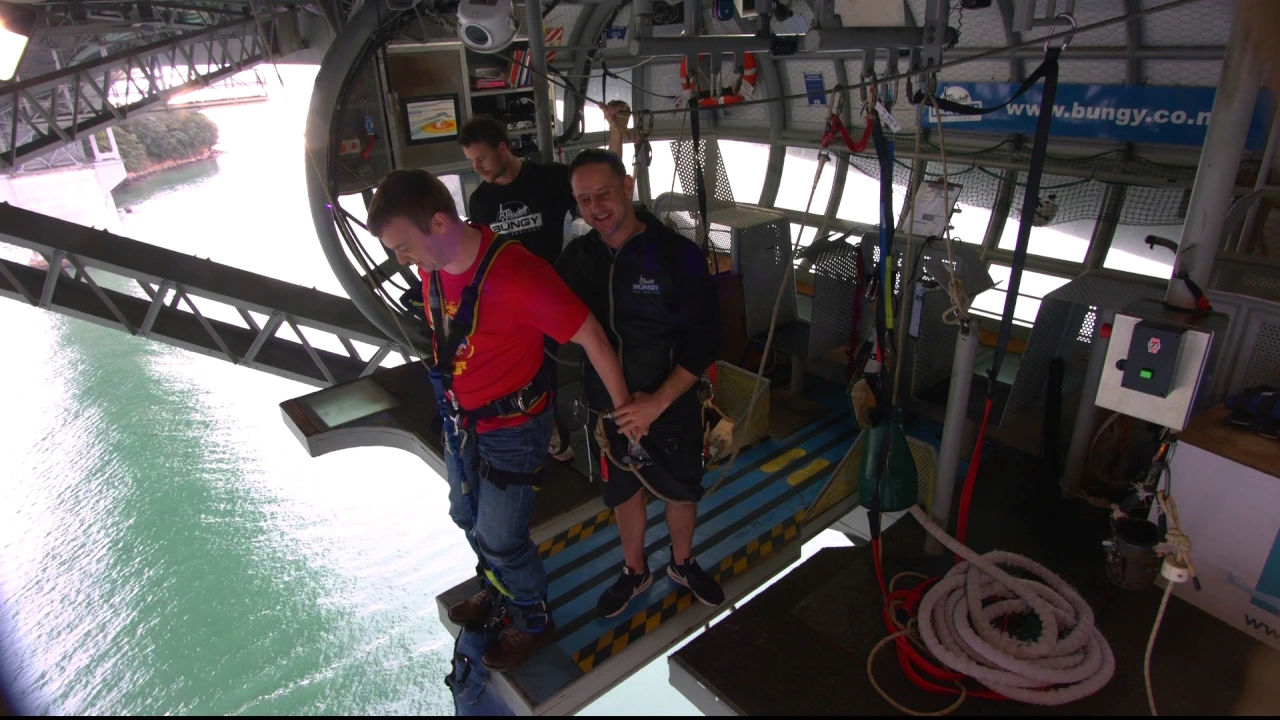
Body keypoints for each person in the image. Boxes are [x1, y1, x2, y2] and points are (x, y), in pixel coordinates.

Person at [366, 168, 635, 671]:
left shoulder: (519, 276)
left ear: (439, 223)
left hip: (514, 428)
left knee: (502, 537)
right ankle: (496, 588)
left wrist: (626, 417)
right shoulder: (433, 269)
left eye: (404, 247)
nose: (402, 260)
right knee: (465, 514)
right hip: (462, 420)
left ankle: (533, 618)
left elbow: (593, 338)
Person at [555, 149, 727, 620]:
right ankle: (635, 571)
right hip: (607, 409)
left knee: (682, 490)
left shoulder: (677, 255)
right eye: (584, 200)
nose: (596, 208)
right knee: (623, 492)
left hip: (671, 404)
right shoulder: (577, 259)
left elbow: (707, 339)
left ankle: (682, 563)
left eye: (604, 194)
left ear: (628, 187)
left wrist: (658, 401)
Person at [459, 104, 630, 464]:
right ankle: (553, 431)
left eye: (482, 159)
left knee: (600, 346)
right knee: (535, 373)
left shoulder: (549, 178)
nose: (478, 168)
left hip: (559, 288)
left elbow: (602, 185)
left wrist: (616, 132)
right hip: (517, 304)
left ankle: (615, 420)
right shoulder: (480, 201)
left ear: (503, 148)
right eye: (472, 162)